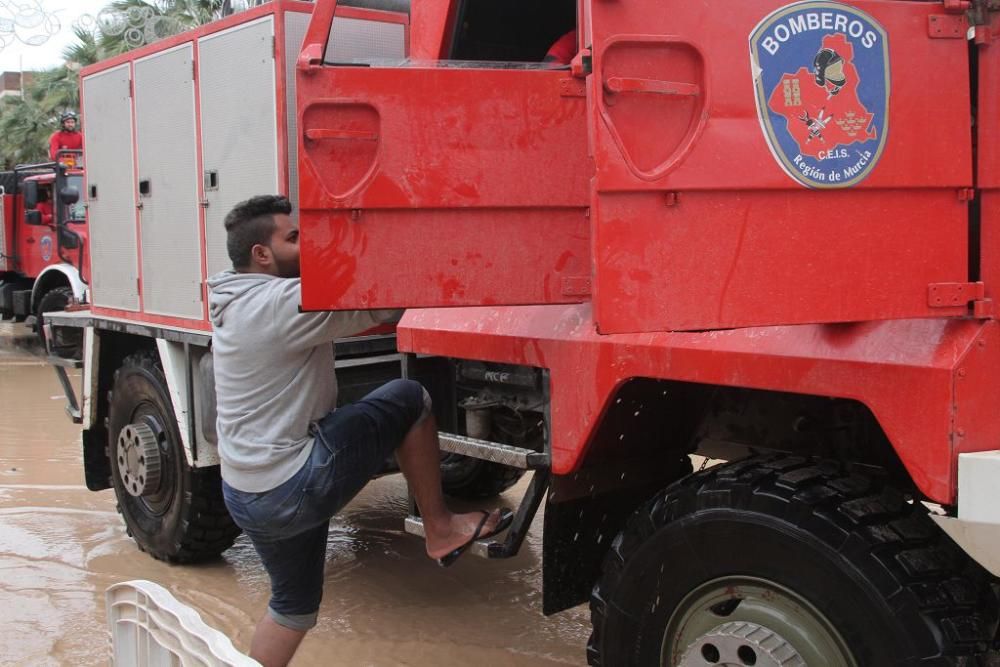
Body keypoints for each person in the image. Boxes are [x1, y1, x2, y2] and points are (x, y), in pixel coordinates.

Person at [208, 195, 512, 667]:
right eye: (294, 238)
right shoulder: (278, 303)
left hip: (245, 490)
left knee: (293, 609)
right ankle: (440, 529)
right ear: (261, 254)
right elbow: (384, 301)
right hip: (289, 486)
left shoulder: (234, 297)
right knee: (409, 398)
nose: (306, 245)